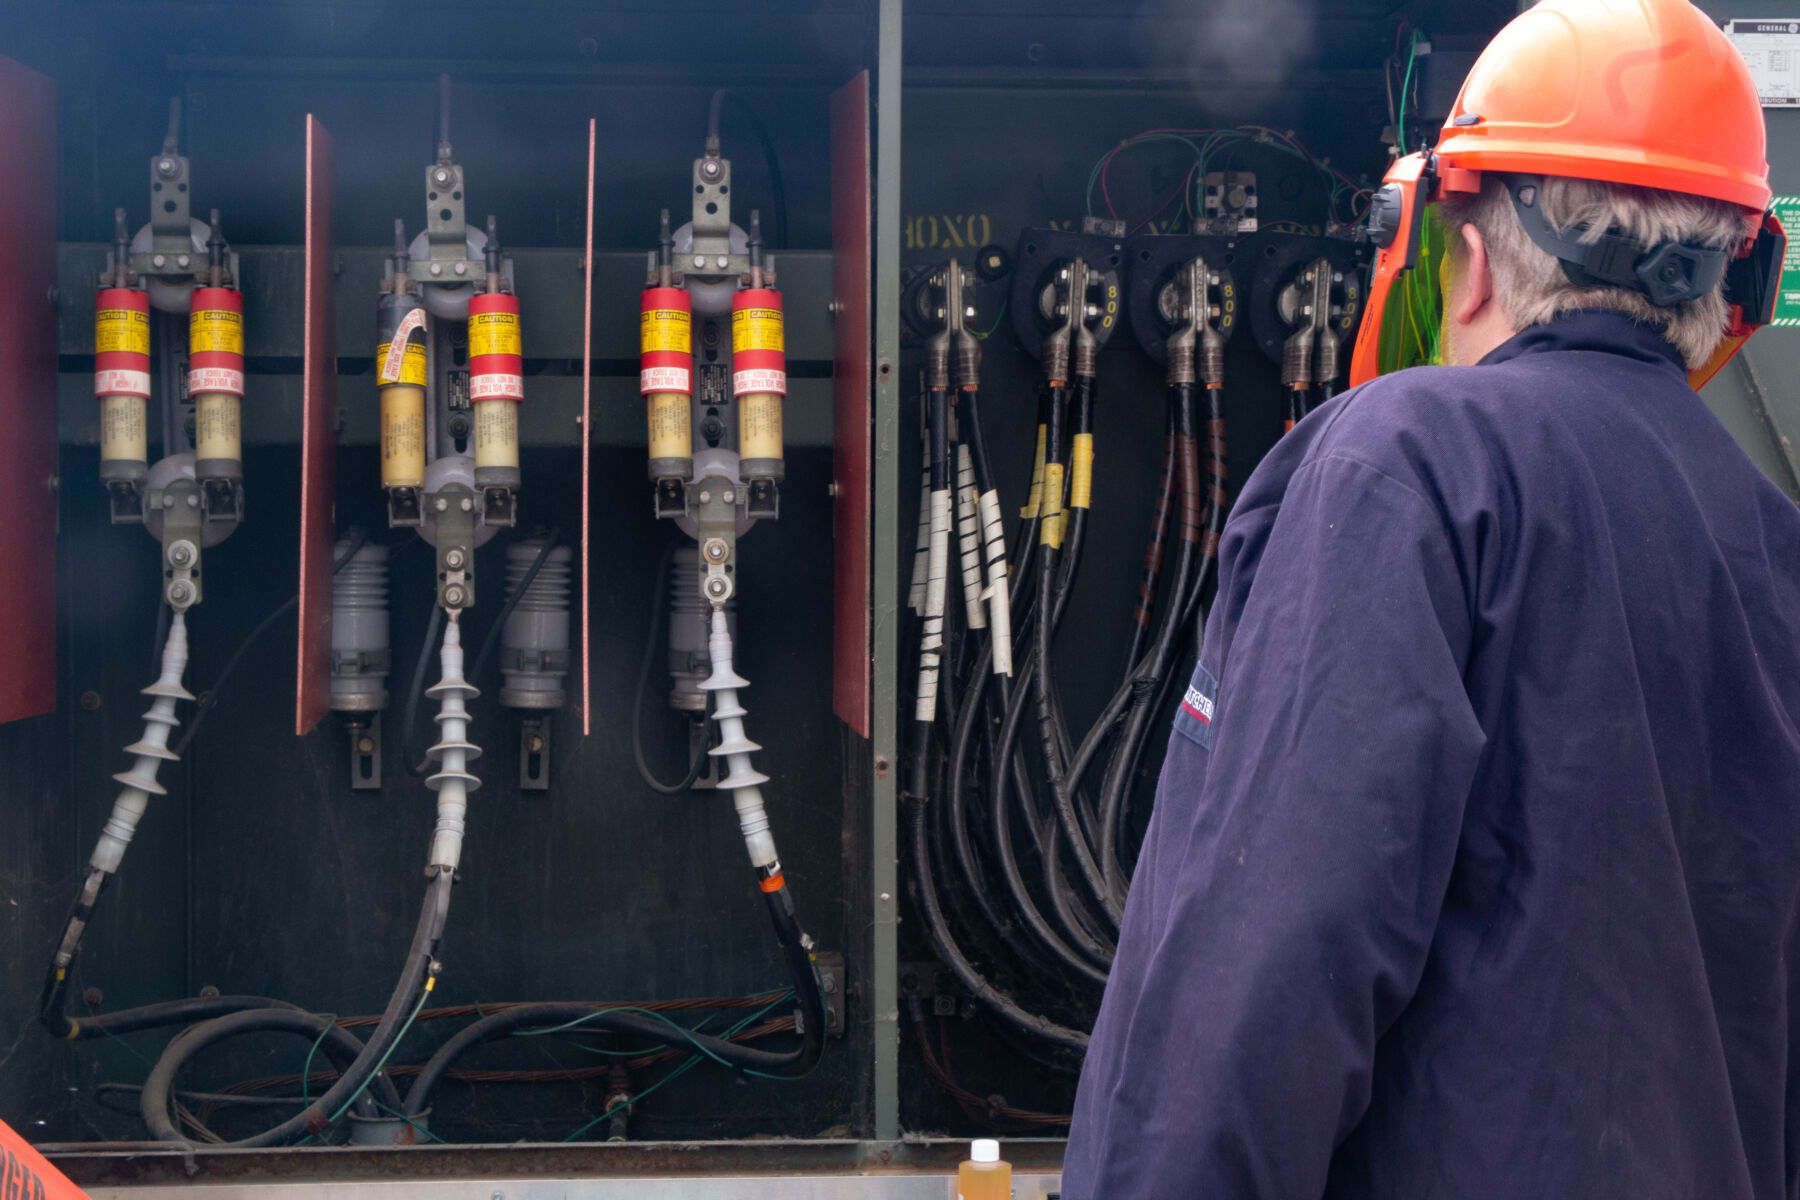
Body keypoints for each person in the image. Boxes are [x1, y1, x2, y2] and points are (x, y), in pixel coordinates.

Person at [1060, 1, 1799, 1195]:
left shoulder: (1404, 466)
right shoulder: (1772, 544)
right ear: (1734, 275)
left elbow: (1263, 971)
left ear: (1457, 253)